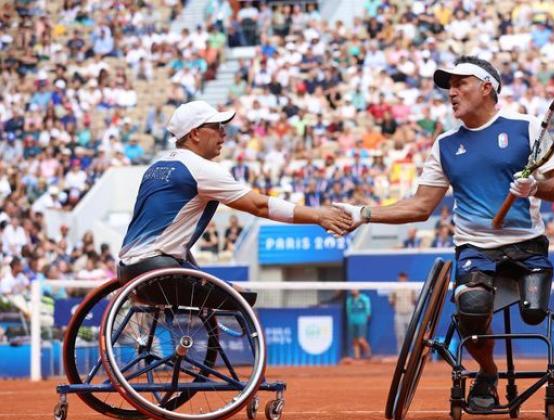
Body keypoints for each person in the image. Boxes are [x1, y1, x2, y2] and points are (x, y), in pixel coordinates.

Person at [334, 56, 554, 411]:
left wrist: (534, 187)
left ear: (487, 87)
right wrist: (364, 214)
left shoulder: (527, 127)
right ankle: (488, 373)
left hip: (528, 245)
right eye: (449, 85)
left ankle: (507, 343)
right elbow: (419, 206)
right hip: (475, 248)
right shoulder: (444, 145)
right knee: (472, 305)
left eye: (461, 83)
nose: (452, 91)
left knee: (534, 314)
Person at [117, 101, 351, 285]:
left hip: (127, 271)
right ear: (195, 134)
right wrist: (319, 216)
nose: (224, 135)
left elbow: (171, 236)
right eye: (217, 128)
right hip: (158, 271)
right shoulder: (201, 169)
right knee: (239, 295)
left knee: (217, 289)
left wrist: (196, 272)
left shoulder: (155, 167)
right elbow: (259, 206)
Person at [388, 272, 417, 353]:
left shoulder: (412, 287)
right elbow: (391, 301)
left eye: (403, 278)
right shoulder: (394, 288)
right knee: (400, 336)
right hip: (399, 315)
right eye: (400, 278)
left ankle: (415, 354)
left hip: (410, 314)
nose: (401, 280)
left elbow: (415, 300)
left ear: (406, 279)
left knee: (414, 335)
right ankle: (401, 355)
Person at [346, 288, 372, 360]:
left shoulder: (364, 299)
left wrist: (365, 318)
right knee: (355, 340)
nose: (353, 290)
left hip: (361, 321)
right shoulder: (349, 300)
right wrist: (350, 320)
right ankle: (357, 357)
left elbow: (368, 311)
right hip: (352, 321)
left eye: (355, 289)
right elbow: (348, 311)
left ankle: (369, 353)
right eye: (352, 289)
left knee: (361, 339)